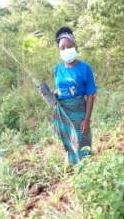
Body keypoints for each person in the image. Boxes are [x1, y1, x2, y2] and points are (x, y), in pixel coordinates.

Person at [52, 26, 97, 165]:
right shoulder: (57, 69)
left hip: (79, 111)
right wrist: (54, 93)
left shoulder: (85, 68)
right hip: (63, 112)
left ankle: (86, 168)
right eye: (62, 48)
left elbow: (90, 95)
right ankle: (72, 165)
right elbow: (60, 89)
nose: (66, 50)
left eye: (68, 46)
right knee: (68, 140)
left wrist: (87, 119)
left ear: (75, 47)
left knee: (82, 140)